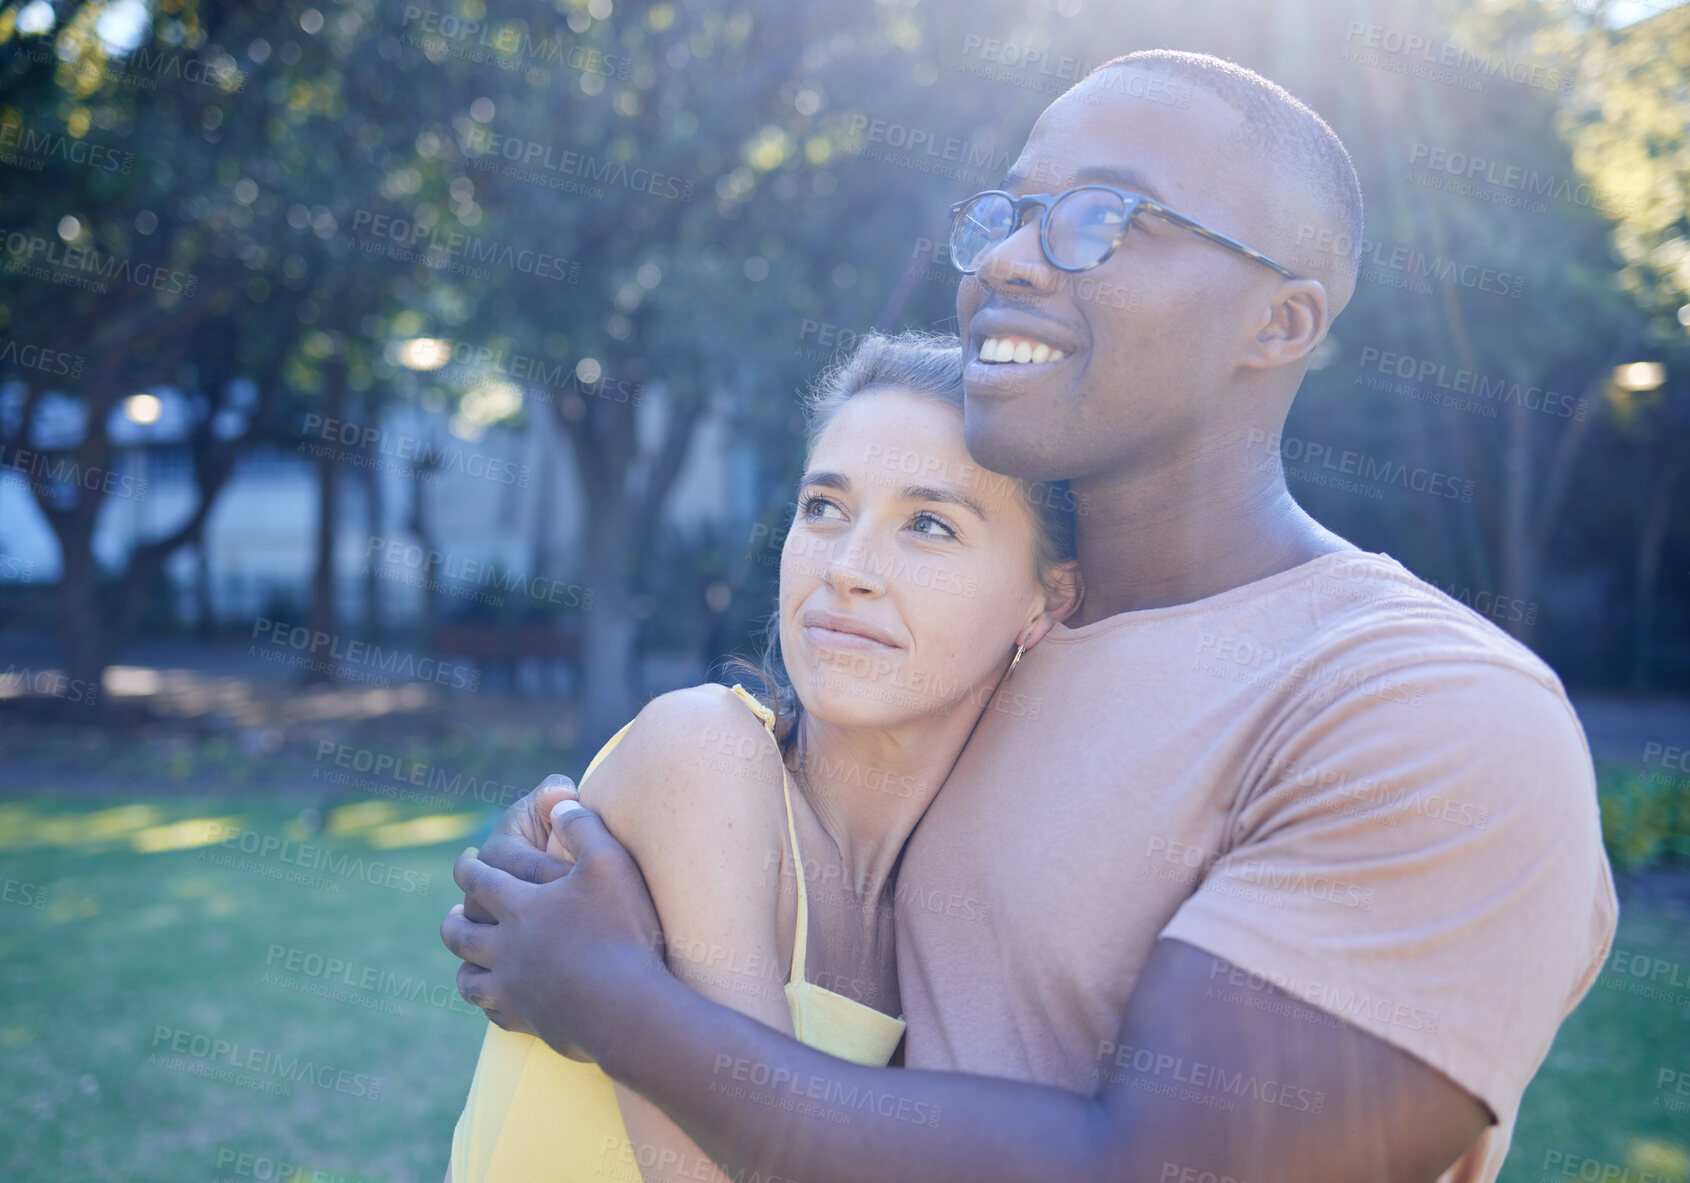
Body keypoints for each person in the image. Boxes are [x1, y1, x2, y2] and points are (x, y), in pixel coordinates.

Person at [443, 49, 1617, 1183]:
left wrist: (613, 1002)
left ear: (1280, 323)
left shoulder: (1425, 708)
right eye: (1007, 209)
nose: (1010, 257)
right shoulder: (982, 655)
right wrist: (599, 835)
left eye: (1108, 214)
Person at [444, 330, 1081, 1182]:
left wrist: (615, 996)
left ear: (1048, 600)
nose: (846, 567)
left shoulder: (954, 905)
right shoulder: (704, 752)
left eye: (928, 524)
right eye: (824, 507)